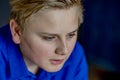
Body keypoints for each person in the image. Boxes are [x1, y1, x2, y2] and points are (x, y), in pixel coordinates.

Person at [0, 0, 88, 80]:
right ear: (17, 31)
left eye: (71, 35)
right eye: (49, 38)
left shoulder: (75, 55)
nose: (64, 50)